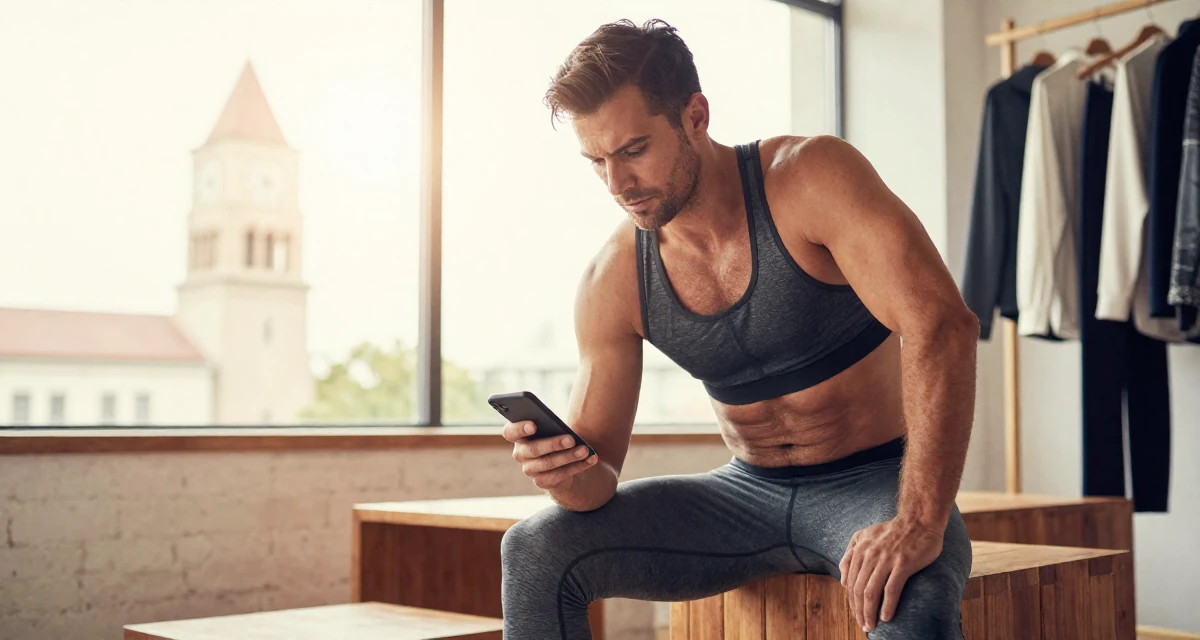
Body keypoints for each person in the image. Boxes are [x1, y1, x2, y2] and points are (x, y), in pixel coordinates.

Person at [499, 19, 978, 640]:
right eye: (597, 162)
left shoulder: (811, 178)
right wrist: (561, 471)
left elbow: (942, 325)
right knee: (534, 550)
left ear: (695, 115)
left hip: (874, 481)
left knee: (909, 598)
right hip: (742, 497)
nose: (618, 186)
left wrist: (918, 521)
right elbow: (595, 488)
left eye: (635, 150)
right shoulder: (612, 278)